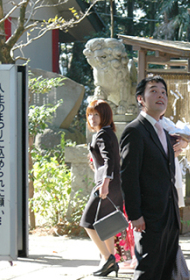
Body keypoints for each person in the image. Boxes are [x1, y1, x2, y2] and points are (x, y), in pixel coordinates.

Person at [120, 75, 181, 280]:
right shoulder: (135, 131)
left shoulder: (163, 130)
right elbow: (129, 176)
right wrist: (135, 214)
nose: (160, 95)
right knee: (148, 270)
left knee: (165, 270)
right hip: (149, 217)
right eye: (153, 91)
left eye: (163, 92)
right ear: (141, 99)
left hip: (169, 215)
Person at [80, 99, 124, 277]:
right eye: (89, 114)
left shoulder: (103, 134)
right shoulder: (106, 133)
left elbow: (110, 161)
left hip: (105, 186)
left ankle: (107, 259)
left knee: (87, 221)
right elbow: (107, 160)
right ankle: (108, 260)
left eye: (96, 114)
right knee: (106, 225)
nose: (92, 118)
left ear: (104, 116)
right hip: (111, 186)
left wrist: (104, 183)